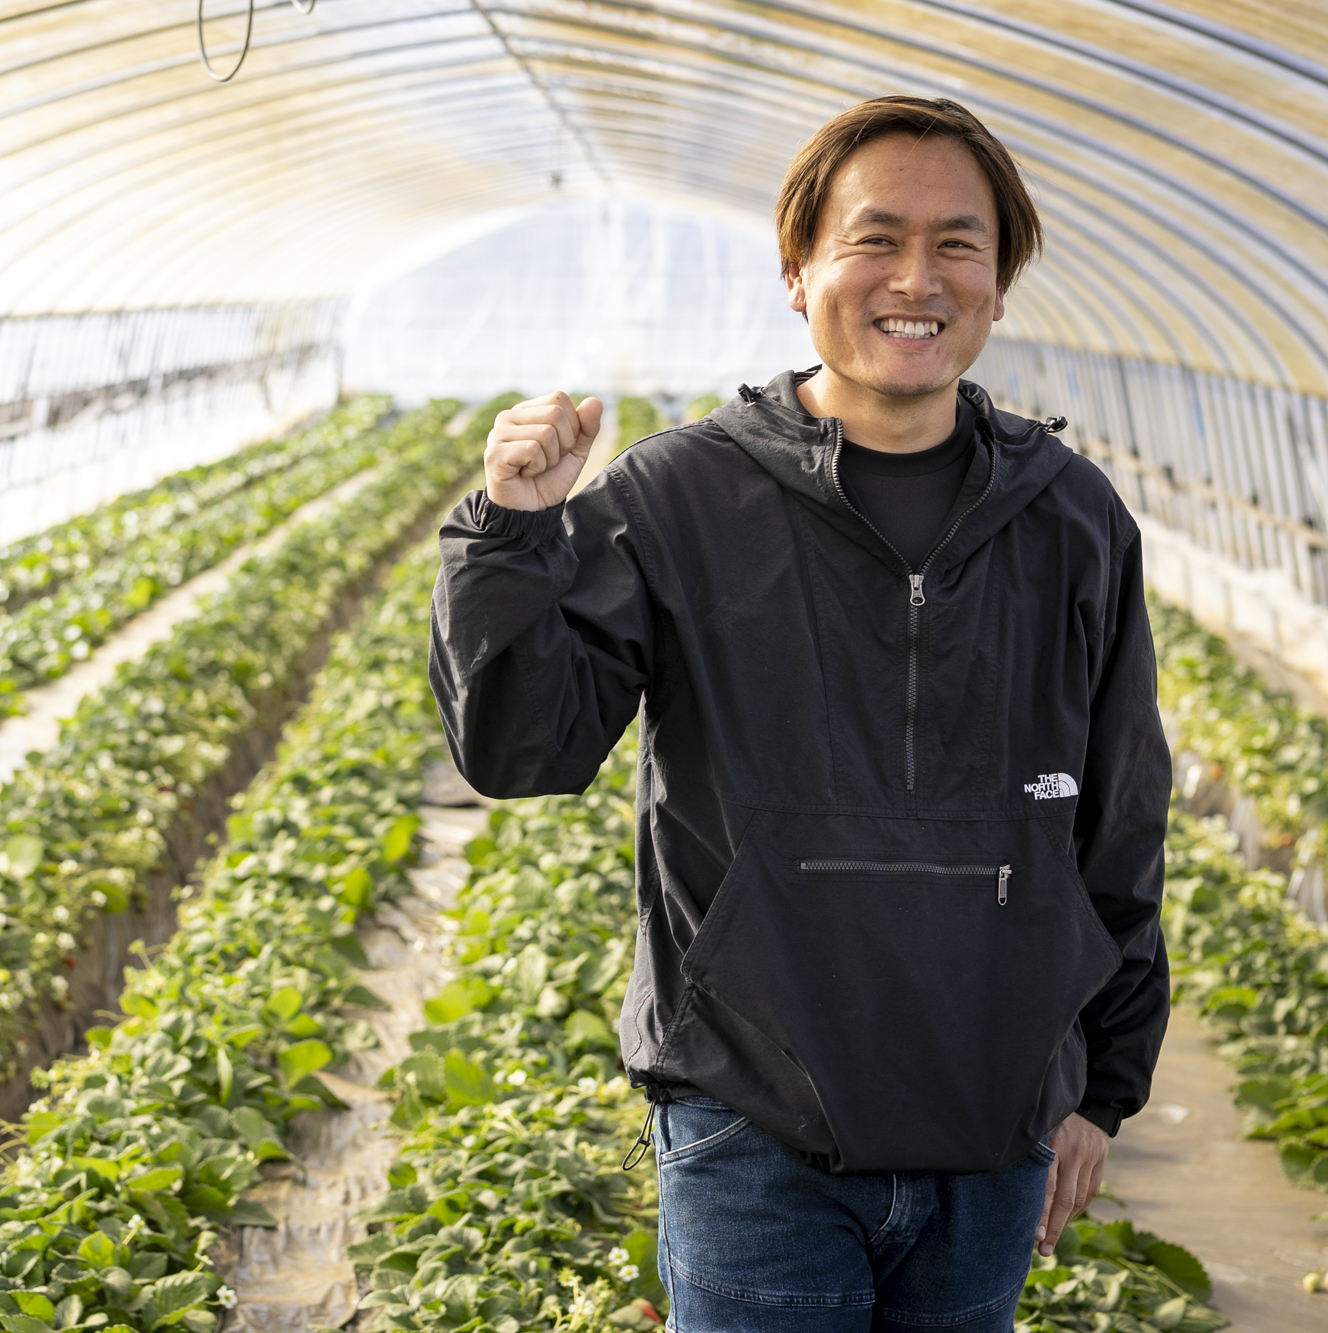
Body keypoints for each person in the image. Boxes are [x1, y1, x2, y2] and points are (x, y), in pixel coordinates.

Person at [428, 96, 1170, 1330]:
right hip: (749, 1115)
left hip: (991, 1121)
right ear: (797, 270)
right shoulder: (682, 495)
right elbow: (522, 748)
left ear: (1000, 278)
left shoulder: (1070, 517)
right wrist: (510, 536)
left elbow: (1118, 818)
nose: (914, 279)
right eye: (873, 239)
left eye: (956, 244)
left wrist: (1103, 1083)